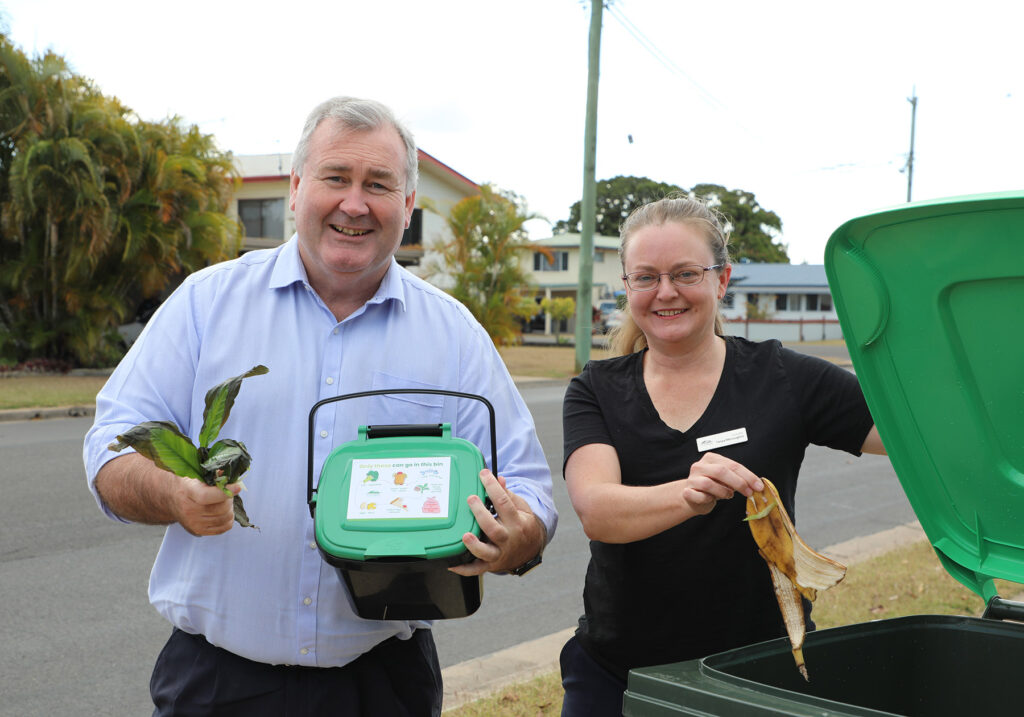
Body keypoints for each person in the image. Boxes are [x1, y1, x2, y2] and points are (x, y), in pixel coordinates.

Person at [83, 96, 555, 717]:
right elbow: (110, 447)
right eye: (336, 177)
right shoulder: (206, 304)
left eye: (379, 185)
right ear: (298, 188)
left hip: (383, 685)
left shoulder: (453, 334)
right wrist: (173, 494)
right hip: (217, 685)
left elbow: (531, 492)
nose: (354, 204)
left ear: (407, 205)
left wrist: (517, 536)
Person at [558, 195, 885, 716]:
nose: (666, 292)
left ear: (722, 279)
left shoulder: (783, 377)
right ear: (627, 287)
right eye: (646, 277)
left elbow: (911, 436)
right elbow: (598, 511)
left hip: (760, 671)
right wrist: (689, 495)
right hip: (618, 675)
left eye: (686, 273)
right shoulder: (596, 389)